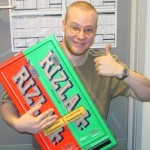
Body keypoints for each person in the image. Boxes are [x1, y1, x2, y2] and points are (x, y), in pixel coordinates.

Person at [0, 1, 150, 150]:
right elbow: (7, 102)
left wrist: (122, 72)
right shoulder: (38, 58)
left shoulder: (106, 63)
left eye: (89, 30)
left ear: (95, 31)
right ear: (63, 25)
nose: (81, 35)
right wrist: (16, 123)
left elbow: (147, 94)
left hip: (92, 145)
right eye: (74, 27)